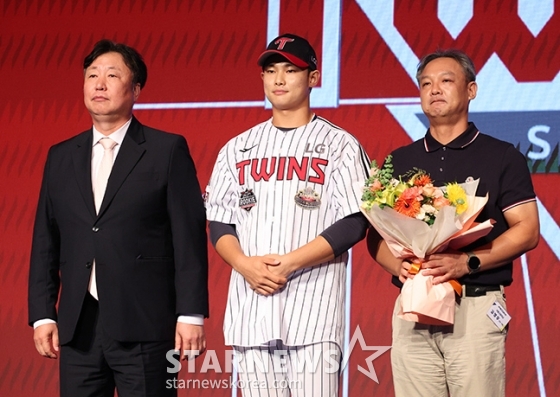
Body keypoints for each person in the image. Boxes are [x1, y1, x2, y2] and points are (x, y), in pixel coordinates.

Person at [28, 39, 209, 397]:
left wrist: (191, 314)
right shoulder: (61, 156)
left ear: (136, 88)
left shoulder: (166, 150)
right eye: (92, 75)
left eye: (112, 75)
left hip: (146, 325)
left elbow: (188, 239)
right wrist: (43, 314)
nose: (99, 83)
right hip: (78, 328)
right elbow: (45, 242)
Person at [205, 33, 370, 396]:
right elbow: (219, 220)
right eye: (270, 70)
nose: (278, 79)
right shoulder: (236, 149)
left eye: (290, 70)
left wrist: (291, 263)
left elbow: (357, 220)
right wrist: (244, 264)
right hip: (251, 310)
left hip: (314, 311)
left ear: (313, 78)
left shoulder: (340, 144)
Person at [367, 49, 540, 397]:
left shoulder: (502, 155)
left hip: (475, 305)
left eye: (446, 81)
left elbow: (527, 229)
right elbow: (375, 233)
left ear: (471, 90)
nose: (434, 90)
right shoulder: (399, 160)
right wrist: (398, 266)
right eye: (426, 83)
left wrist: (467, 261)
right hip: (413, 306)